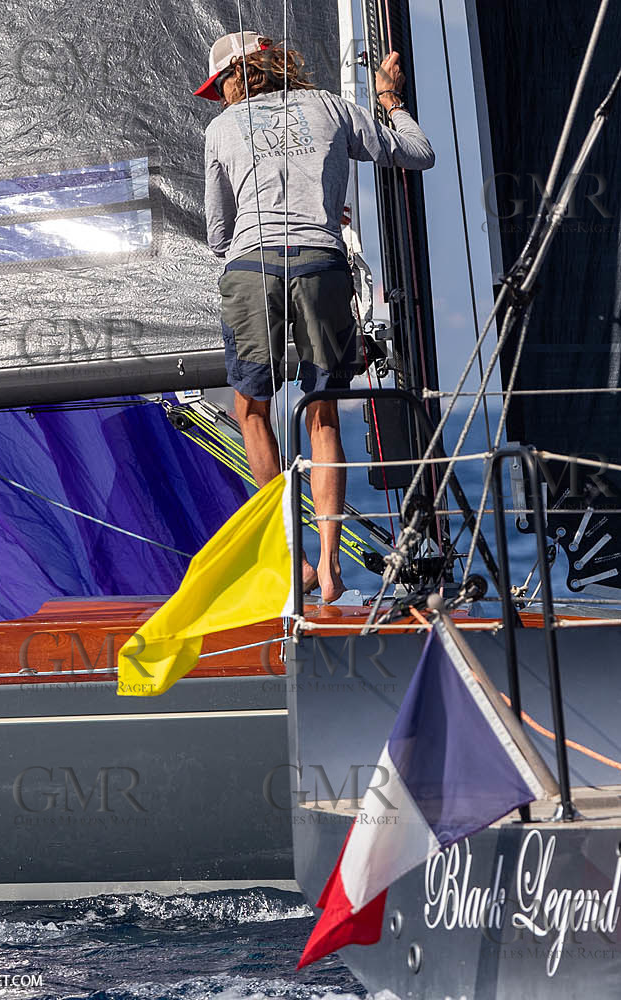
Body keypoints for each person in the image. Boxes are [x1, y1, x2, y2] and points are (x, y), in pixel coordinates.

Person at [198, 31, 435, 602]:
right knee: (322, 413)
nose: (221, 95)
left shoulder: (220, 129)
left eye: (220, 84)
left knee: (252, 408)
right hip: (321, 264)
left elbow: (218, 233)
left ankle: (294, 556)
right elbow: (417, 153)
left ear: (234, 78)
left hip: (250, 270)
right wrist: (389, 97)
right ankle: (330, 568)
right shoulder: (331, 106)